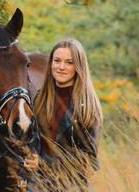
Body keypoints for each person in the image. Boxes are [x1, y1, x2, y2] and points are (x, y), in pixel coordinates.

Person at [24, 38, 103, 190]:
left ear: (78, 66)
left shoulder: (87, 107)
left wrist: (43, 163)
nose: (61, 67)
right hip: (36, 186)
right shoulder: (39, 99)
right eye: (57, 60)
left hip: (70, 187)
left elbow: (89, 161)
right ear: (51, 63)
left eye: (69, 62)